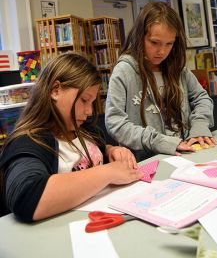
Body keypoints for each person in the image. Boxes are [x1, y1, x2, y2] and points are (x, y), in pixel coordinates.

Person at [0, 53, 143, 222]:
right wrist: (108, 172)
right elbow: (27, 197)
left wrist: (111, 150)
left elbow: (96, 152)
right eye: (84, 100)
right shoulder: (29, 142)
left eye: (91, 103)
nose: (89, 111)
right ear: (55, 90)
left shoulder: (85, 130)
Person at [105, 2, 217, 161]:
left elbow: (202, 98)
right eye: (154, 42)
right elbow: (115, 123)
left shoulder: (178, 68)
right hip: (147, 159)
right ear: (140, 36)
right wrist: (160, 142)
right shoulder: (124, 71)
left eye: (169, 43)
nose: (162, 51)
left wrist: (199, 126)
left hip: (185, 151)